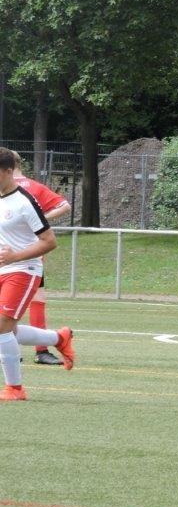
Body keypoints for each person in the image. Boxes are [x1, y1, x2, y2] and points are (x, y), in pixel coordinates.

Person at [0, 147, 75, 401]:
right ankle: (58, 338)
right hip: (4, 268)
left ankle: (15, 389)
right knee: (7, 329)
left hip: (24, 269)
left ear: (8, 171)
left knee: (2, 327)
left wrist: (14, 257)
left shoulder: (25, 202)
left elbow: (49, 241)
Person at [12, 151, 72, 365]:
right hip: (32, 255)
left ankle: (10, 349)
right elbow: (64, 206)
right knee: (37, 300)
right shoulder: (34, 187)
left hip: (9, 255)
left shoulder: (8, 189)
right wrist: (40, 219)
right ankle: (42, 351)